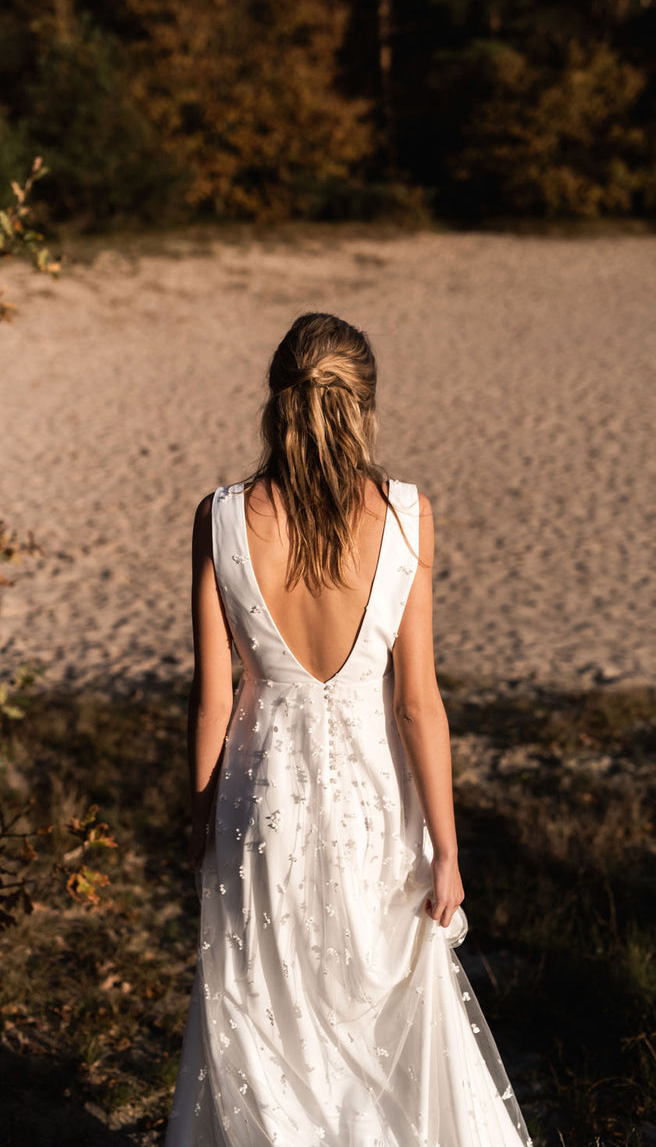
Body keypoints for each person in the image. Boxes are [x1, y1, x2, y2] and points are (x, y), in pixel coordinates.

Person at [167, 314, 530, 1147]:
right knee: (379, 1022)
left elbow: (212, 697)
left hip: (259, 808)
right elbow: (417, 703)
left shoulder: (221, 518)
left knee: (268, 1023)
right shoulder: (405, 514)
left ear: (275, 401)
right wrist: (448, 848)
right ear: (365, 405)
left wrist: (197, 816)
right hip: (376, 810)